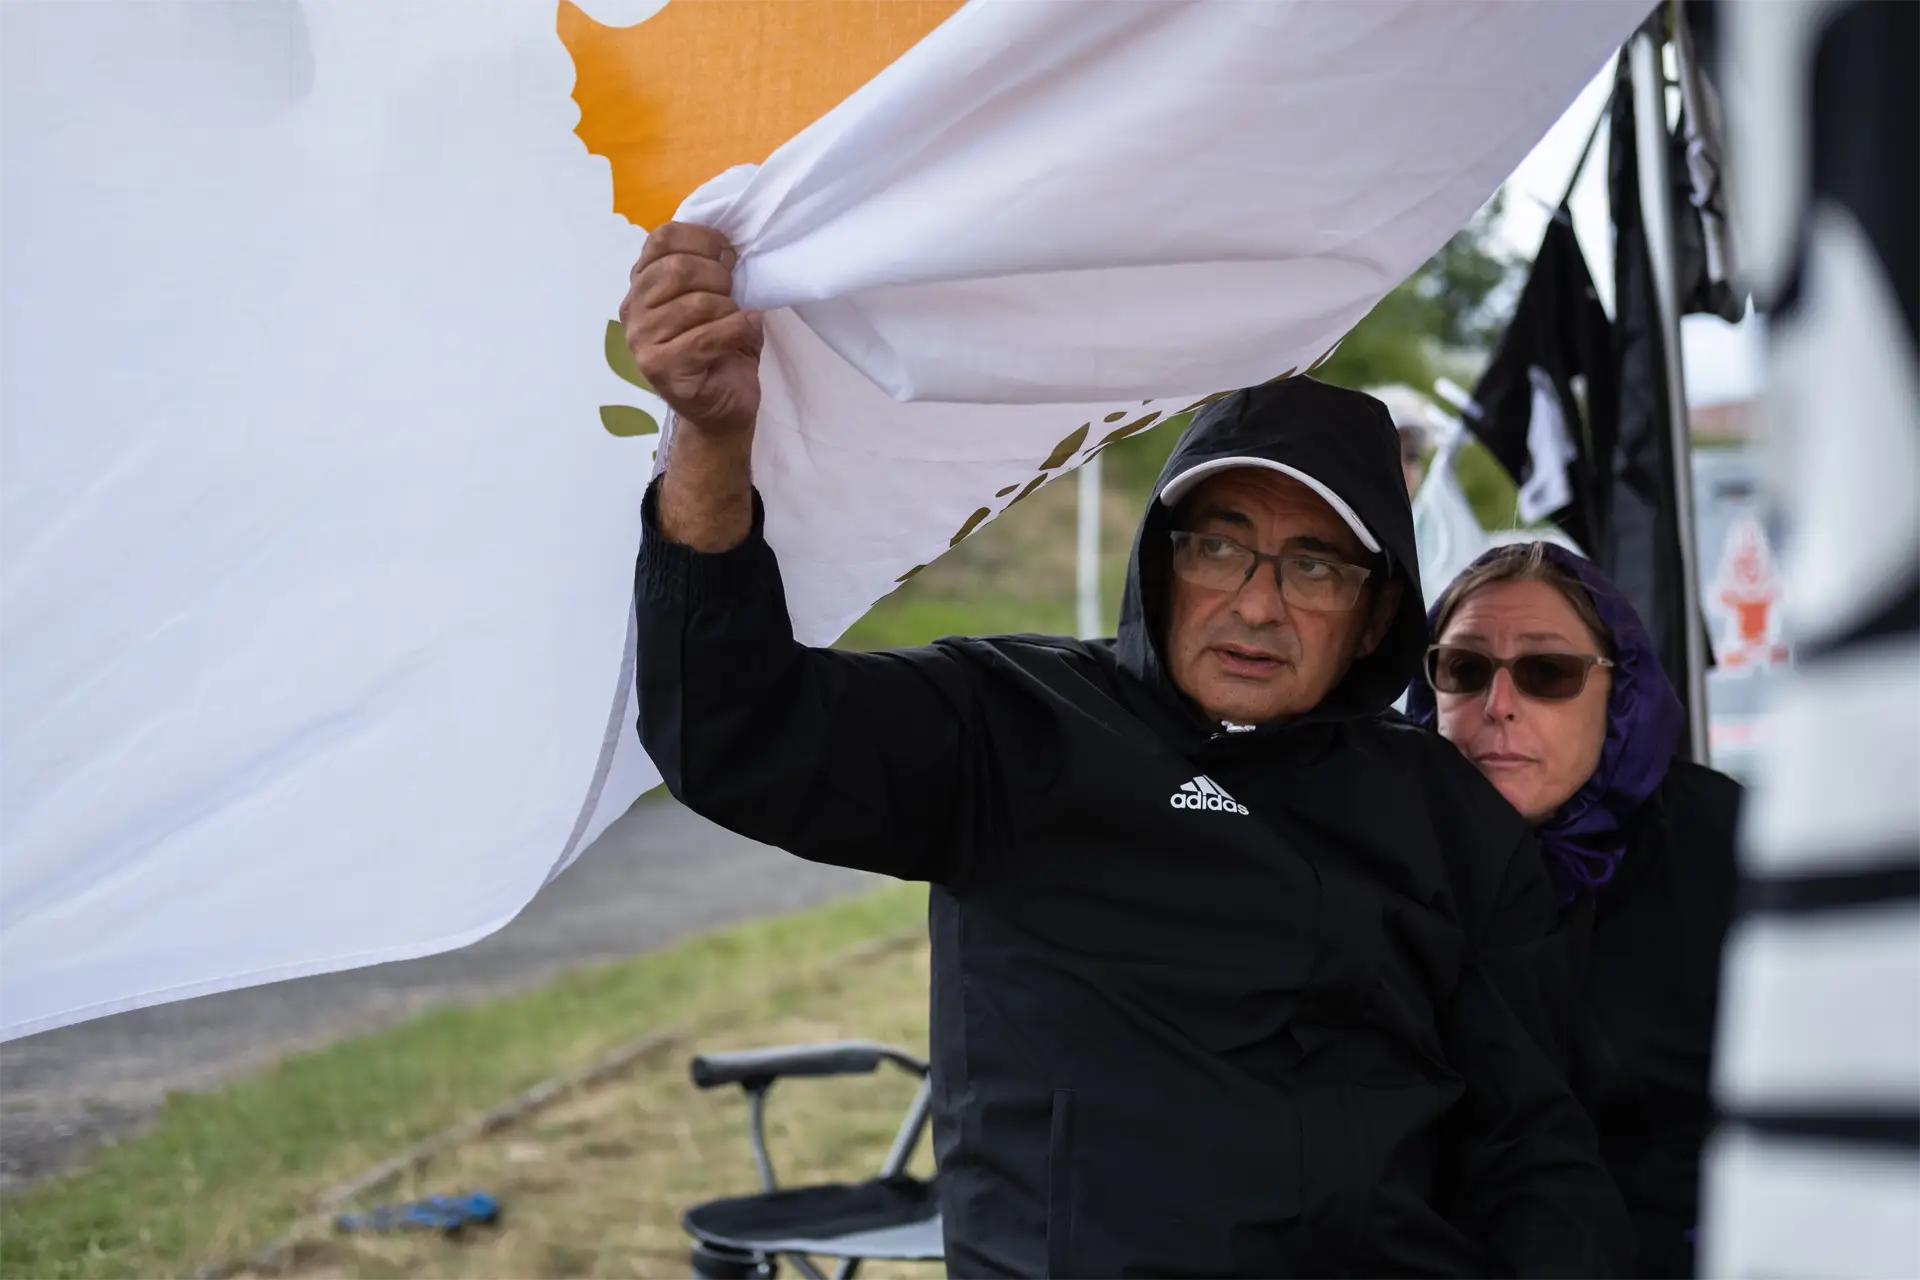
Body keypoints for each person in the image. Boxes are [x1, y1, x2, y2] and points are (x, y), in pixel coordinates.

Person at [622, 222, 1632, 1278]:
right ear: (1160, 560)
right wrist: (710, 439)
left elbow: (1532, 1149)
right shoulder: (1010, 722)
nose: (1257, 602)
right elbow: (729, 729)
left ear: (1377, 613)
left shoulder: (1445, 816)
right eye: (1220, 543)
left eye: (1315, 565)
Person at [1405, 541, 1744, 1279]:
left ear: (1621, 696)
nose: (1498, 707)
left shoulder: (1728, 848)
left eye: (1546, 672)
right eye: (1464, 669)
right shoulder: (1383, 863)